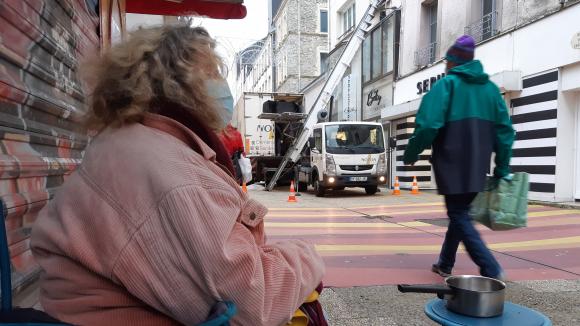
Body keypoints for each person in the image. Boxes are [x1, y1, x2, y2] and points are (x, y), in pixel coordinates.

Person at [30, 24, 325, 325]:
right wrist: (306, 256)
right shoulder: (169, 170)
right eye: (212, 73)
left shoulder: (132, 142)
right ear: (180, 83)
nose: (222, 87)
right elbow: (254, 303)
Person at [403, 35, 514, 280]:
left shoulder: (446, 86)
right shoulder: (491, 90)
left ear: (453, 62)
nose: (445, 65)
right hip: (477, 166)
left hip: (450, 164)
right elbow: (505, 132)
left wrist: (411, 154)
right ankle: (445, 263)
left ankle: (489, 266)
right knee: (460, 213)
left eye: (447, 60)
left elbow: (427, 126)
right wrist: (502, 168)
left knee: (458, 214)